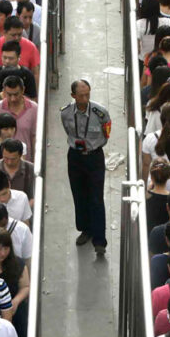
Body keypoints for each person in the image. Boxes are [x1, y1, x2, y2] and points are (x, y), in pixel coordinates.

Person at [60, 78, 111, 253]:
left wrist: (91, 145)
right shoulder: (66, 112)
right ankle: (85, 229)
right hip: (75, 157)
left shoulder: (100, 113)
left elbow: (106, 134)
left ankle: (99, 240)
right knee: (78, 194)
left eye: (87, 94)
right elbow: (68, 131)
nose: (85, 98)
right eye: (81, 95)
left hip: (94, 156)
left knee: (96, 197)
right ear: (73, 95)